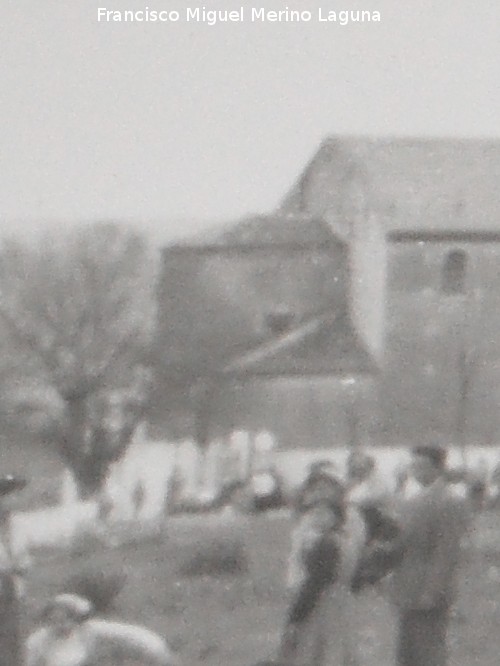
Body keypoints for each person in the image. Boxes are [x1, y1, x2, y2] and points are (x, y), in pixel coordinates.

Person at [388, 444, 471, 666]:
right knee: (408, 653)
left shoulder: (448, 501)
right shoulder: (413, 498)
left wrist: (432, 591)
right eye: (413, 466)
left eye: (421, 466)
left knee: (428, 652)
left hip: (428, 591)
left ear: (438, 468)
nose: (416, 471)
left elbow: (446, 552)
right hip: (408, 586)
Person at [281, 483, 364, 666]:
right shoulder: (346, 540)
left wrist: (296, 616)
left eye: (323, 513)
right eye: (313, 513)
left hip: (323, 603)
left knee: (319, 652)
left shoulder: (326, 544)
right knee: (339, 649)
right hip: (342, 601)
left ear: (336, 517)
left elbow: (314, 583)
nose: (316, 518)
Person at [25, 593, 177, 666]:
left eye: (66, 618)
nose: (59, 624)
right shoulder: (39, 641)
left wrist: (156, 651)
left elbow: (134, 637)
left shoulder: (90, 631)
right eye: (53, 619)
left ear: (76, 619)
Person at [0, 474, 30, 666]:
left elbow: (23, 558)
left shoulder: (16, 525)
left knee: (13, 642)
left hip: (12, 591)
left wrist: (21, 566)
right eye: (7, 495)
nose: (12, 500)